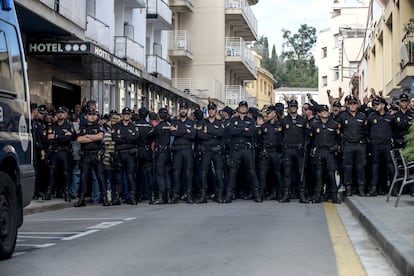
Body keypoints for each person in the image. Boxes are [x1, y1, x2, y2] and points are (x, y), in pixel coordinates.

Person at [225, 100, 260, 203]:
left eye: (245, 107)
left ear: (247, 108)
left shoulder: (251, 120)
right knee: (232, 172)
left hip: (246, 148)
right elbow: (231, 131)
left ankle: (257, 194)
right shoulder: (233, 120)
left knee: (252, 171)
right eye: (241, 107)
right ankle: (229, 194)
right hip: (236, 149)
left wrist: (239, 129)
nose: (243, 108)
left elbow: (251, 133)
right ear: (239, 108)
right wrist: (244, 129)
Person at [74, 108, 110, 207]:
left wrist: (87, 136)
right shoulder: (82, 127)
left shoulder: (98, 126)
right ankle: (81, 199)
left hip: (96, 155)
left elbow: (100, 137)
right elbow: (79, 139)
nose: (92, 116)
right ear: (86, 116)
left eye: (93, 114)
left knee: (100, 177)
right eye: (90, 114)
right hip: (85, 155)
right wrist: (92, 137)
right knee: (83, 177)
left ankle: (104, 198)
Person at [309, 105, 341, 204]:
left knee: (331, 174)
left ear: (328, 112)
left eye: (326, 111)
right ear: (319, 113)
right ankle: (318, 195)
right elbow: (311, 139)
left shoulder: (334, 125)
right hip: (319, 151)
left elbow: (339, 138)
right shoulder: (315, 125)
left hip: (330, 152)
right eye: (322, 111)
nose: (324, 113)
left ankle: (334, 196)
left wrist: (336, 147)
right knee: (319, 174)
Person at [279, 100, 309, 203]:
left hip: (299, 150)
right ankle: (286, 194)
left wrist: (304, 146)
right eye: (291, 106)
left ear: (297, 107)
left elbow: (307, 136)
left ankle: (302, 194)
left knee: (301, 173)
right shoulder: (284, 121)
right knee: (287, 172)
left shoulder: (303, 121)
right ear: (289, 108)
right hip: (288, 149)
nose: (293, 108)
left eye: (294, 106)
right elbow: (280, 135)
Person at [338, 95, 368, 196]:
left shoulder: (362, 116)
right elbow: (339, 131)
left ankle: (361, 188)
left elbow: (366, 131)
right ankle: (348, 187)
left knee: (360, 167)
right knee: (348, 167)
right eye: (351, 104)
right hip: (348, 146)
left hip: (359, 145)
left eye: (354, 103)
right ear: (348, 105)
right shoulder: (343, 116)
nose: (352, 105)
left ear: (357, 105)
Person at [196, 102, 225, 203]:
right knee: (203, 172)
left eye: (213, 109)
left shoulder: (219, 122)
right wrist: (214, 134)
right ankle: (203, 195)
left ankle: (219, 195)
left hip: (216, 150)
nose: (211, 111)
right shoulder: (203, 122)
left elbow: (221, 133)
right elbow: (200, 135)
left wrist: (208, 131)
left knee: (218, 172)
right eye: (210, 109)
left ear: (216, 111)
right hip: (206, 150)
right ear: (208, 111)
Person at [367, 96, 395, 196]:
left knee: (390, 166)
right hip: (375, 145)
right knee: (375, 166)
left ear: (383, 105)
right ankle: (373, 188)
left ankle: (393, 188)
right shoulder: (371, 117)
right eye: (374, 104)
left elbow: (394, 130)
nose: (375, 106)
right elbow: (367, 131)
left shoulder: (390, 117)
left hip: (387, 144)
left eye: (377, 104)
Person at [45, 106, 75, 200]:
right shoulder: (53, 125)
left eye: (62, 112)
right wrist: (62, 136)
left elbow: (69, 138)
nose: (60, 114)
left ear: (66, 114)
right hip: (54, 151)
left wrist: (56, 136)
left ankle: (66, 192)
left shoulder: (69, 125)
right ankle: (50, 192)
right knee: (52, 172)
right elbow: (49, 137)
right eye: (58, 112)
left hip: (65, 151)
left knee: (65, 172)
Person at [112, 107, 140, 205]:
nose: (126, 116)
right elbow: (115, 138)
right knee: (118, 176)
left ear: (130, 115)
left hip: (130, 154)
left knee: (130, 175)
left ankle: (132, 197)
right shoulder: (116, 126)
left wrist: (123, 137)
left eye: (128, 114)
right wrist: (128, 138)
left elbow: (136, 137)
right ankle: (117, 197)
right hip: (119, 153)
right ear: (122, 115)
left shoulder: (133, 126)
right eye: (124, 114)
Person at [170, 102, 196, 204]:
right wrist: (186, 131)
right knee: (176, 173)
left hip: (188, 150)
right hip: (177, 150)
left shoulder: (191, 122)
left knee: (188, 173)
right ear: (179, 110)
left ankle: (189, 194)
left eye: (185, 109)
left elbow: (193, 135)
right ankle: (175, 195)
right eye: (182, 108)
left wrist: (179, 131)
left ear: (188, 110)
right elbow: (172, 133)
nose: (183, 110)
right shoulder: (175, 121)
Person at [257, 105, 283, 202]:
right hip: (266, 152)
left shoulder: (280, 126)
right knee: (263, 174)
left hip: (276, 152)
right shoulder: (264, 126)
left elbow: (282, 140)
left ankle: (279, 194)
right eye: (267, 113)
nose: (267, 115)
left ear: (274, 114)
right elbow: (260, 140)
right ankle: (261, 194)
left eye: (269, 113)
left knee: (277, 173)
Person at [135, 107, 155, 203]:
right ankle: (151, 195)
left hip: (137, 150)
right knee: (149, 174)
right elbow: (152, 138)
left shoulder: (134, 125)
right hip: (147, 150)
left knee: (137, 174)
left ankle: (138, 195)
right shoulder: (149, 126)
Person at [153, 108, 172, 204]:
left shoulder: (158, 127)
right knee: (166, 174)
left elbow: (150, 135)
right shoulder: (169, 126)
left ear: (159, 115)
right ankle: (168, 196)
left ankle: (161, 196)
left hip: (160, 152)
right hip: (168, 152)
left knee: (160, 174)